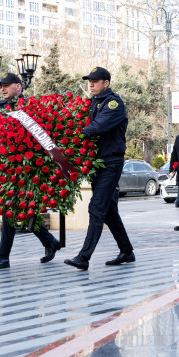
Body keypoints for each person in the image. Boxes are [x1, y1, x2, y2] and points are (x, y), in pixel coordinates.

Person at [0, 73, 61, 269]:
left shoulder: (30, 106)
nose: (2, 89)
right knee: (21, 209)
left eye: (7, 85)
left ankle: (3, 256)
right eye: (1, 86)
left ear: (19, 87)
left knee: (10, 207)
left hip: (27, 164)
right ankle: (49, 241)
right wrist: (2, 129)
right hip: (6, 163)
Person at [65, 67, 135, 270]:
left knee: (96, 207)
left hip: (111, 163)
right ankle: (127, 251)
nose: (91, 84)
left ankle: (84, 257)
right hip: (99, 163)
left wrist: (72, 136)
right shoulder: (94, 102)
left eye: (95, 81)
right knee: (108, 209)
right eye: (89, 81)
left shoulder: (114, 103)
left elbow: (98, 127)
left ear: (106, 83)